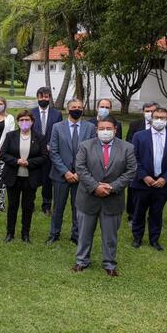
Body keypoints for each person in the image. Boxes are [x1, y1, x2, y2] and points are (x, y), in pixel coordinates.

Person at [72, 119, 137, 276]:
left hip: (113, 199)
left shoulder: (127, 147)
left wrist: (112, 187)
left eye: (109, 128)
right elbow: (80, 168)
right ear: (96, 129)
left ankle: (109, 263)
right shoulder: (85, 146)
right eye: (102, 128)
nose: (105, 131)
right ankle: (81, 261)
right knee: (84, 233)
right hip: (88, 198)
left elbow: (131, 171)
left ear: (115, 129)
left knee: (110, 235)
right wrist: (95, 187)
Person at [129, 107, 167, 251]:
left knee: (156, 212)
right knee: (139, 212)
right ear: (151, 118)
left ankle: (154, 239)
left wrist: (165, 178)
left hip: (162, 184)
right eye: (156, 117)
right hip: (142, 182)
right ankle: (137, 238)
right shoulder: (139, 136)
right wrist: (144, 175)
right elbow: (134, 158)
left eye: (163, 118)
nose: (159, 120)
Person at [46, 100, 95, 245]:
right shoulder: (57, 127)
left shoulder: (90, 127)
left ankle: (76, 234)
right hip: (61, 175)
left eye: (80, 107)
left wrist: (79, 172)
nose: (77, 109)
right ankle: (54, 233)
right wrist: (65, 172)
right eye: (74, 107)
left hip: (81, 176)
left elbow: (92, 152)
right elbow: (53, 151)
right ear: (68, 109)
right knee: (58, 207)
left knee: (78, 207)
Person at [0, 111, 48, 243]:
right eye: (21, 120)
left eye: (27, 120)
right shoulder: (11, 136)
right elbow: (3, 154)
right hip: (13, 177)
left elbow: (44, 156)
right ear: (18, 122)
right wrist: (16, 161)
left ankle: (25, 233)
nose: (24, 122)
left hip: (30, 178)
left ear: (32, 122)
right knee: (12, 206)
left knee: (28, 206)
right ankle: (10, 233)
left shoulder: (40, 138)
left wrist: (29, 163)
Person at [125, 101, 160, 221]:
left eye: (152, 111)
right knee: (133, 190)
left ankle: (152, 215)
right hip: (138, 162)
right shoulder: (135, 125)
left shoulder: (162, 125)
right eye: (147, 111)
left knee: (154, 192)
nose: (150, 113)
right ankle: (132, 215)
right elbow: (129, 142)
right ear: (143, 112)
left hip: (155, 164)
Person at [30, 87, 63, 214]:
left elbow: (59, 132)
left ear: (49, 98)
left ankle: (47, 205)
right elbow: (27, 130)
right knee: (32, 179)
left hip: (50, 152)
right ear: (37, 98)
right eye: (41, 97)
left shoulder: (57, 114)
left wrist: (50, 145)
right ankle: (30, 203)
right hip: (34, 151)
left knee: (47, 180)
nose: (43, 99)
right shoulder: (31, 112)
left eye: (46, 97)